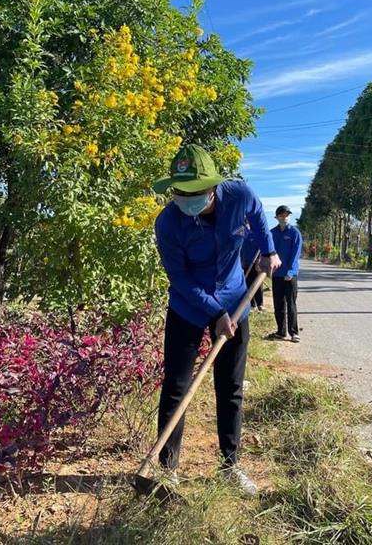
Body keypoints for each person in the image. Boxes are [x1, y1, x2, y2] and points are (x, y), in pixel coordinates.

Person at [153, 144, 280, 497]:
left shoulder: (239, 195)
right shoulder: (168, 223)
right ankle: (167, 470)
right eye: (180, 193)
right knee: (176, 387)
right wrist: (215, 314)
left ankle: (230, 465)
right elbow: (181, 279)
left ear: (213, 187)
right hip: (188, 307)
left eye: (195, 193)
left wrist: (267, 250)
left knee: (230, 387)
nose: (187, 199)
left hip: (235, 299)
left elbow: (257, 215)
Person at [268, 205, 302, 343]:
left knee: (291, 304)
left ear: (290, 216)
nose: (284, 218)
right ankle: (281, 332)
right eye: (281, 215)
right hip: (276, 275)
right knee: (278, 304)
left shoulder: (295, 233)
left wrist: (291, 271)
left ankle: (294, 332)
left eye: (287, 215)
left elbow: (295, 255)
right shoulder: (272, 233)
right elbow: (268, 251)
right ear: (277, 217)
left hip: (290, 275)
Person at [240, 220, 264, 311]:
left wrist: (259, 260)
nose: (247, 223)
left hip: (255, 263)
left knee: (257, 283)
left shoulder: (257, 233)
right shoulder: (243, 233)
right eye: (245, 221)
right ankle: (251, 304)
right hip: (245, 263)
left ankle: (260, 304)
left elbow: (261, 248)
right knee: (247, 283)